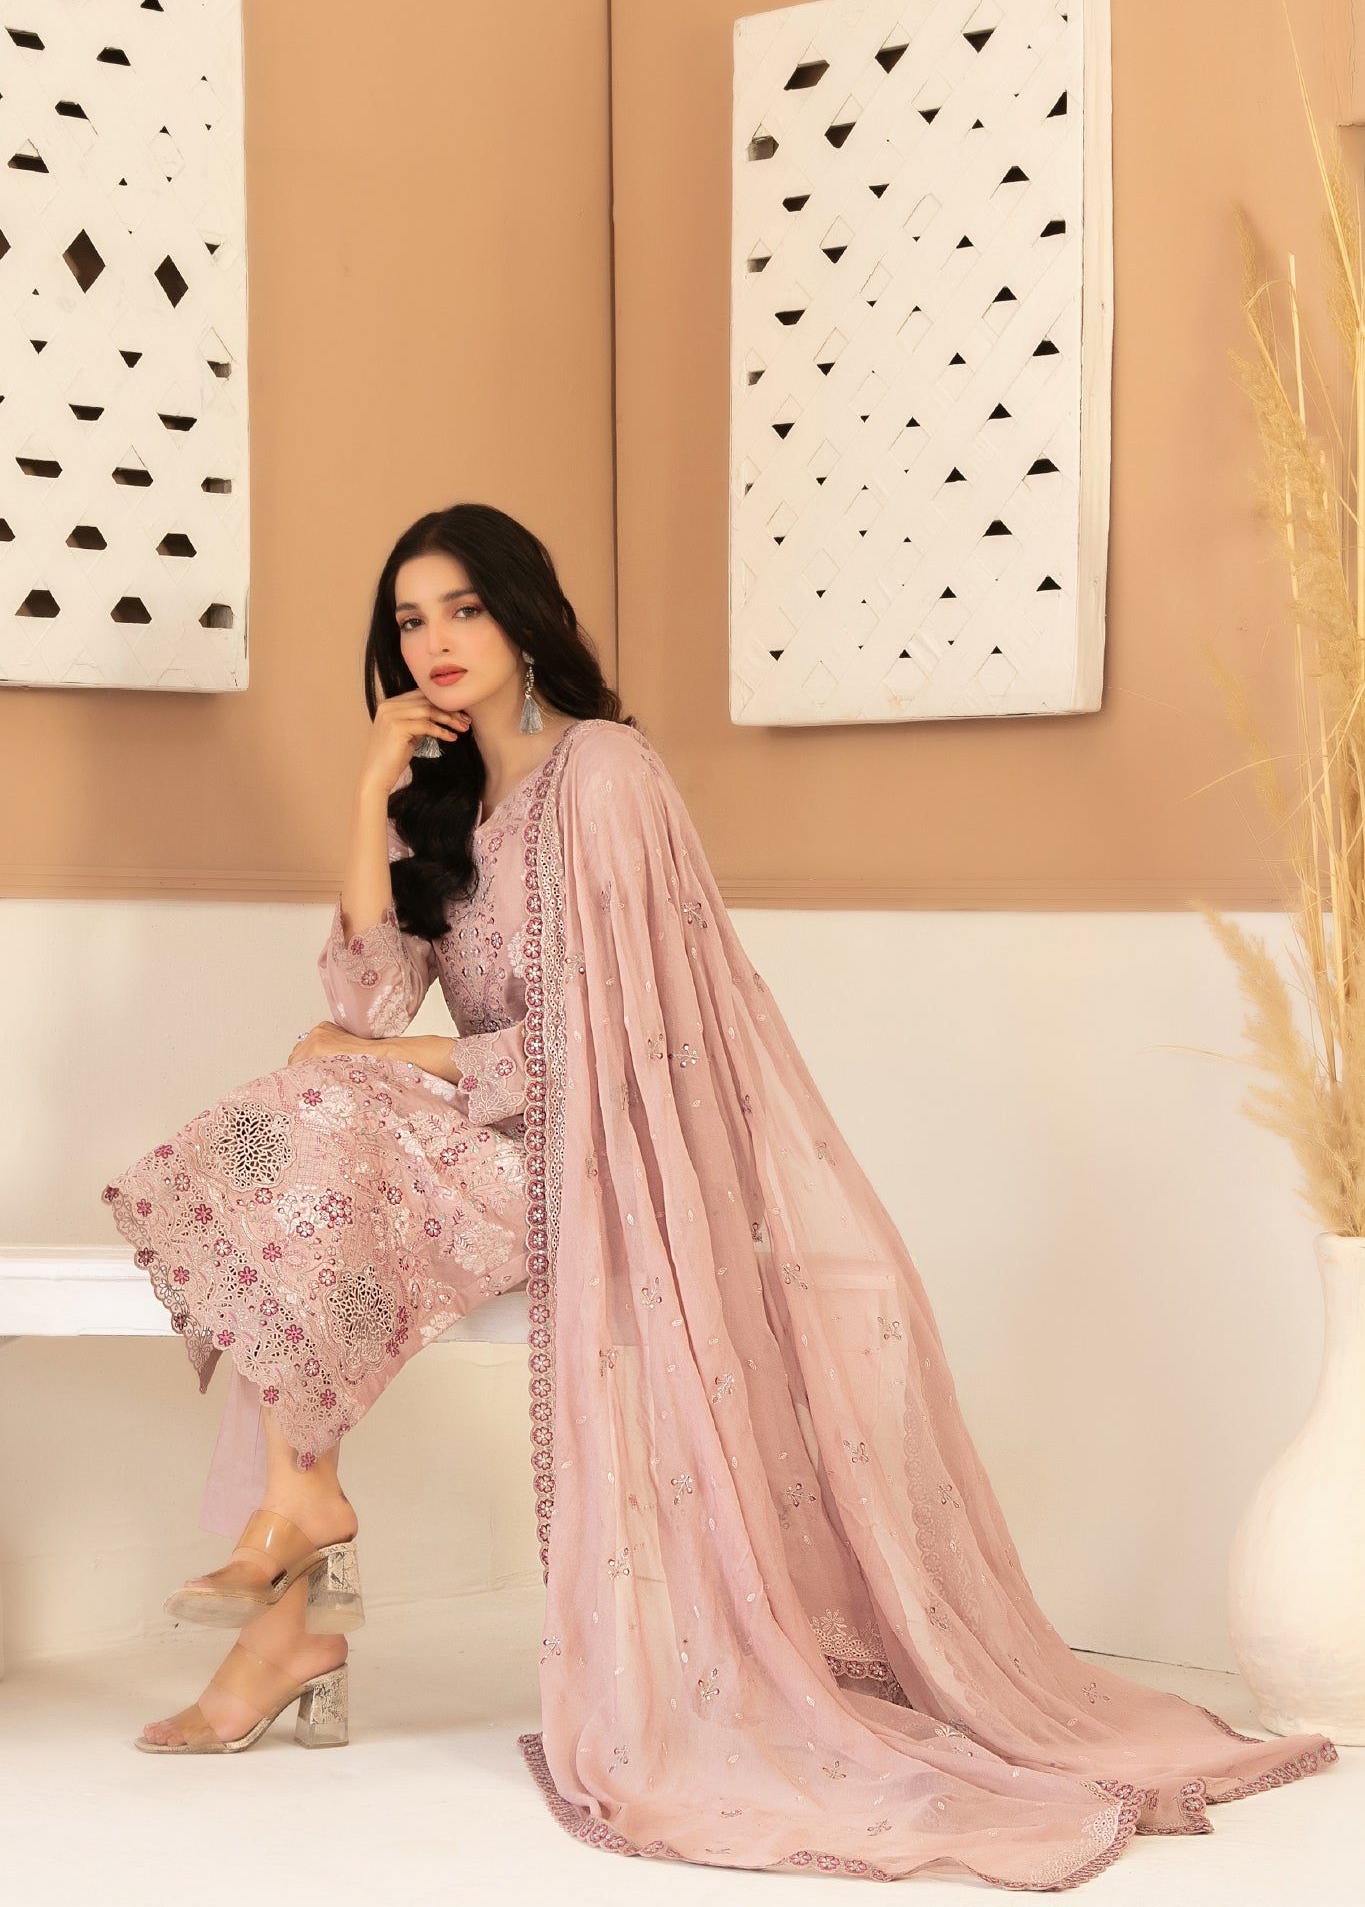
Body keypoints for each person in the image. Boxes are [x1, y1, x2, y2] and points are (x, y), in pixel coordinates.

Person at [105, 503, 1337, 1882]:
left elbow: (604, 1045)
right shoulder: (442, 804)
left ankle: (292, 1575)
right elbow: (365, 996)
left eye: (463, 608)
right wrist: (366, 800)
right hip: (484, 1146)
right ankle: (299, 1534)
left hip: (603, 1151)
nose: (436, 641)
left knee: (315, 1117)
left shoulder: (603, 774)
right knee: (297, 1140)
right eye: (409, 620)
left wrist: (385, 1064)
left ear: (523, 615)